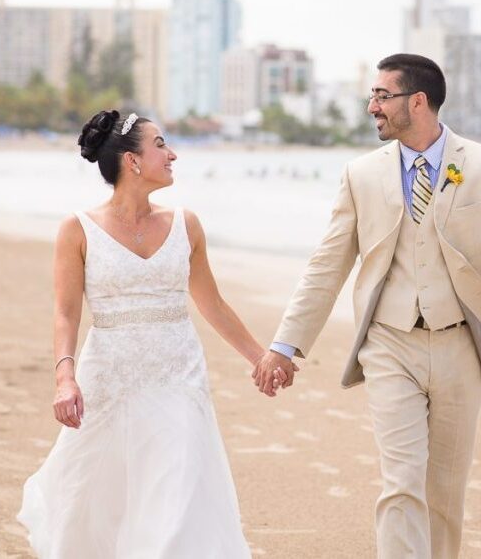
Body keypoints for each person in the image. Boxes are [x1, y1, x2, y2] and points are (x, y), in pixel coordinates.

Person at [252, 54, 481, 557]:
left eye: (381, 95)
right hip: (389, 344)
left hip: (461, 344)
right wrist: (285, 345)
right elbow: (327, 265)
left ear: (417, 102)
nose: (372, 105)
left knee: (444, 494)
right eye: (371, 95)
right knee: (400, 484)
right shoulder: (360, 175)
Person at [18, 110, 290, 557]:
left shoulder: (186, 224)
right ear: (132, 161)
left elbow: (213, 305)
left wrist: (261, 357)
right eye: (161, 144)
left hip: (179, 378)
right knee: (100, 502)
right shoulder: (77, 230)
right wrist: (64, 378)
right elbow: (66, 314)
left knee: (177, 498)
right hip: (109, 382)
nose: (173, 153)